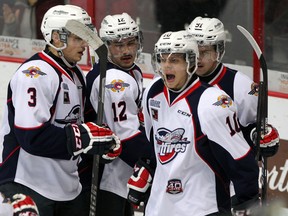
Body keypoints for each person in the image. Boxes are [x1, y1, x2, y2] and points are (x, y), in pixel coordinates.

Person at [0, 4, 121, 216]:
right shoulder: (34, 75)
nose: (84, 45)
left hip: (68, 188)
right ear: (56, 37)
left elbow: (80, 129)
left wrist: (102, 144)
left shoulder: (75, 75)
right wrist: (84, 138)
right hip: (29, 186)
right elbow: (32, 137)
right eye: (77, 38)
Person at [127, 30, 260, 215]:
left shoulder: (212, 103)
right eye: (163, 59)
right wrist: (146, 166)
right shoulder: (152, 93)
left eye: (174, 61)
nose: (166, 67)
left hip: (202, 207)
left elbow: (238, 157)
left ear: (190, 63)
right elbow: (153, 144)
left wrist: (248, 199)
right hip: (159, 206)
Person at [84, 12, 153, 216]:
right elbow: (126, 135)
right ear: (105, 46)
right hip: (108, 178)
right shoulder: (113, 80)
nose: (126, 51)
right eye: (118, 45)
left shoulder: (132, 71)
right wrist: (155, 163)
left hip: (124, 173)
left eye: (131, 43)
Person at [187, 17, 279, 159]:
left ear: (219, 51)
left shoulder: (241, 86)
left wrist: (261, 136)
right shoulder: (175, 81)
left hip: (223, 174)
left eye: (205, 52)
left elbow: (250, 131)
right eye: (194, 51)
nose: (198, 58)